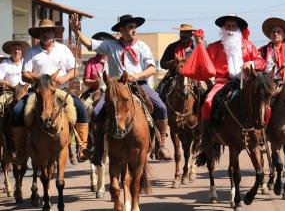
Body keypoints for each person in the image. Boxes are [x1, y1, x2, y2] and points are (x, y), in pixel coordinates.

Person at [69, 13, 172, 165]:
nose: (134, 30)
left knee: (162, 108)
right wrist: (76, 32)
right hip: (116, 87)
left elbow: (152, 69)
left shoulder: (142, 46)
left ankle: (161, 144)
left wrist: (137, 76)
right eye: (130, 27)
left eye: (135, 27)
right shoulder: (110, 45)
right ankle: (96, 148)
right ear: (122, 30)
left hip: (138, 84)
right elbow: (90, 44)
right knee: (97, 112)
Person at [12, 19, 88, 164]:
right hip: (38, 92)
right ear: (38, 34)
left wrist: (64, 77)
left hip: (60, 90)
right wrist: (41, 79)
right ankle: (20, 150)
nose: (45, 33)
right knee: (17, 110)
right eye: (42, 31)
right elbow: (24, 74)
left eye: (48, 30)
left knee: (81, 109)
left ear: (54, 33)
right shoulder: (31, 51)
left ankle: (82, 147)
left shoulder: (63, 49)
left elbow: (75, 70)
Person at [201, 14, 265, 121]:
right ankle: (206, 133)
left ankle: (262, 133)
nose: (230, 30)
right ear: (223, 29)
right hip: (222, 83)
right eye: (228, 26)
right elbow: (205, 65)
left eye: (233, 26)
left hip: (246, 82)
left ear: (238, 29)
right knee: (208, 102)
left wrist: (251, 64)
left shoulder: (249, 45)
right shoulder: (213, 47)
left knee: (264, 104)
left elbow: (261, 62)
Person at [157, 24, 204, 101]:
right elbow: (162, 63)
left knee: (204, 93)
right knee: (161, 91)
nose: (184, 35)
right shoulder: (172, 46)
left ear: (191, 34)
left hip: (194, 77)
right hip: (174, 75)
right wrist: (172, 63)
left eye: (187, 33)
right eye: (182, 33)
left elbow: (203, 62)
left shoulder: (197, 47)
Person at [0, 40, 29, 161]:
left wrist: (25, 86)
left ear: (22, 51)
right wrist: (10, 85)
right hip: (8, 93)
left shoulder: (26, 63)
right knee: (0, 107)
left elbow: (31, 77)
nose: (16, 51)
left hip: (26, 92)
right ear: (10, 51)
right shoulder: (4, 64)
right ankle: (2, 137)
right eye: (14, 49)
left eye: (19, 49)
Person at [81, 32, 115, 104]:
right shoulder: (91, 61)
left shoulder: (114, 60)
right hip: (94, 90)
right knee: (82, 104)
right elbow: (85, 80)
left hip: (113, 90)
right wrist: (95, 82)